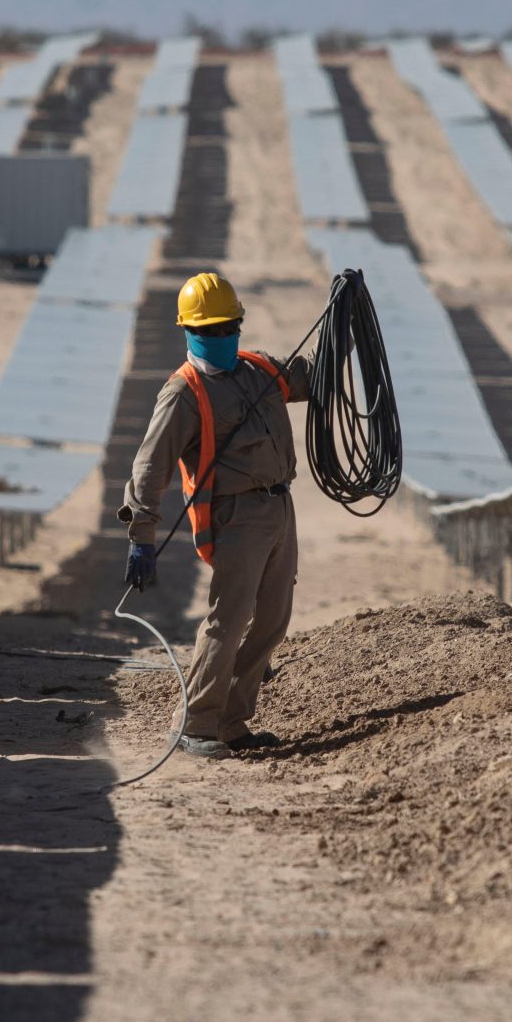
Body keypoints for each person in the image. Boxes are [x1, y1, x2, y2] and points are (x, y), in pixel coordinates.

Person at [121, 271, 315, 758]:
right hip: (237, 516)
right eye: (209, 330)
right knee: (228, 620)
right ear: (188, 331)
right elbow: (150, 466)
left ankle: (231, 720)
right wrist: (142, 535)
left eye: (228, 327)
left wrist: (345, 333)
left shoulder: (259, 370)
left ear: (240, 325)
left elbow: (311, 378)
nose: (220, 337)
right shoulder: (183, 393)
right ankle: (194, 724)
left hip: (279, 506)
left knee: (272, 620)